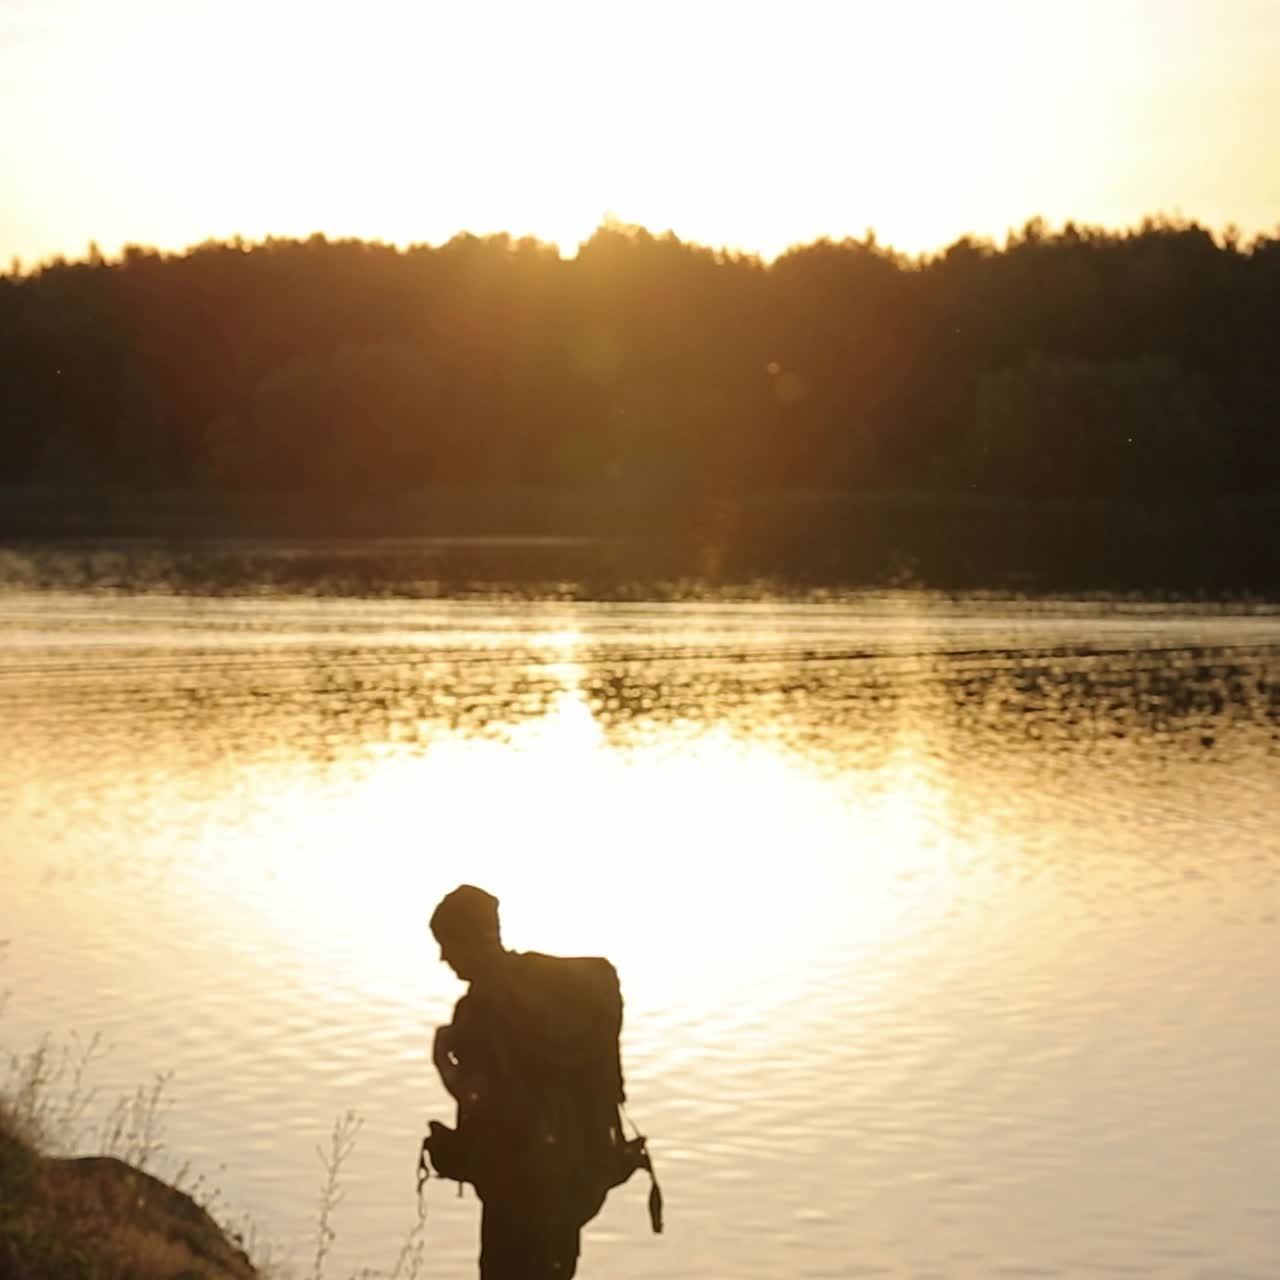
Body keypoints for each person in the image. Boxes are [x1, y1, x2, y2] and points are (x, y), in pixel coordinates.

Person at [424, 884, 652, 1279]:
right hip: (570, 1180)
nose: (444, 958)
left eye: (448, 945)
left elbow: (480, 1098)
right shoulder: (551, 990)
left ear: (473, 940)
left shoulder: (481, 1009)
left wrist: (442, 1059)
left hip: (514, 1192)